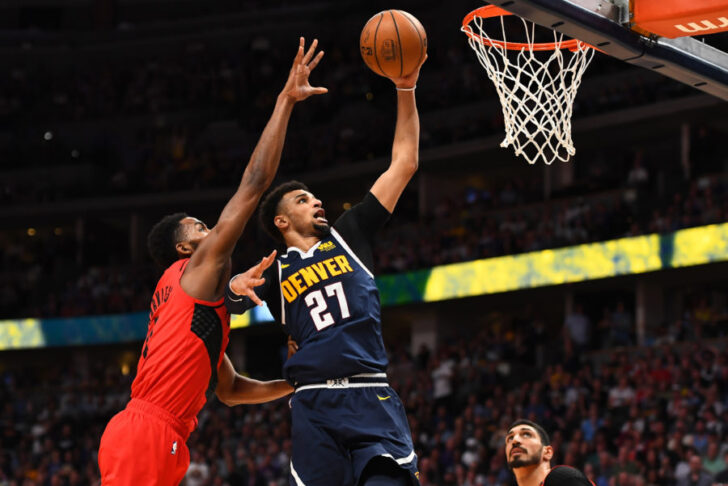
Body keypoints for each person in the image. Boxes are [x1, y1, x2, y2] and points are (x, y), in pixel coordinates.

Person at [97, 37, 328, 486]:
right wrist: (284, 102)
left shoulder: (198, 310)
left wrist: (293, 382)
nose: (211, 233)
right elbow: (254, 183)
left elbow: (231, 389)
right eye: (200, 229)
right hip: (147, 430)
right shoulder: (195, 270)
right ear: (186, 251)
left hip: (161, 433)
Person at [226, 53, 427, 486]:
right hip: (314, 403)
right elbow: (215, 309)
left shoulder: (349, 234)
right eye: (302, 200)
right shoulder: (273, 271)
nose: (316, 202)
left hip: (369, 392)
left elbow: (404, 163)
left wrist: (406, 88)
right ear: (281, 222)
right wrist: (234, 289)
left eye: (315, 197)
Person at [505, 419, 593, 486]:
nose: (515, 440)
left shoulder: (561, 477)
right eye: (510, 438)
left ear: (547, 452)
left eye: (526, 434)